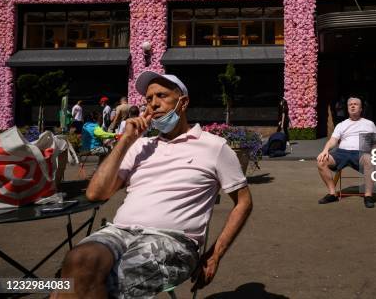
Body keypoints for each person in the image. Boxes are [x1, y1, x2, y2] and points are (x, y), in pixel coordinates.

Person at [54, 72, 252, 299]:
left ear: (183, 102)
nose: (154, 104)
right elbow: (95, 193)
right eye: (148, 99)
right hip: (120, 232)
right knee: (77, 262)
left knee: (81, 284)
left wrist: (215, 254)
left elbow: (243, 202)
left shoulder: (214, 147)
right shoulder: (140, 146)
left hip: (172, 241)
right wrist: (127, 141)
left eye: (162, 96)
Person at [316, 97, 376, 208]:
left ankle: (368, 196)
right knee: (321, 161)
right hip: (341, 153)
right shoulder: (341, 124)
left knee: (369, 159)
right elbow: (333, 140)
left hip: (361, 153)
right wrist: (325, 150)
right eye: (350, 104)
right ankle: (332, 194)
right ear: (347, 108)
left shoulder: (369, 124)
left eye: (355, 104)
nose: (352, 106)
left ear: (361, 108)